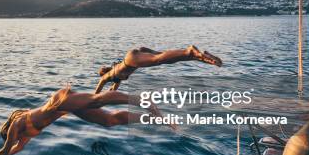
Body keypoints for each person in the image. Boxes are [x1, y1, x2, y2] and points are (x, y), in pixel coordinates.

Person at [0, 86, 166, 155]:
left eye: (11, 137)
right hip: (66, 108)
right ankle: (152, 118)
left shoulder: (17, 126)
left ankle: (141, 99)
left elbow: (6, 148)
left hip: (60, 102)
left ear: (8, 131)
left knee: (98, 100)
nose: (14, 139)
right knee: (109, 121)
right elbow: (17, 148)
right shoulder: (24, 135)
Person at [94, 45, 222, 93]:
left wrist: (92, 99)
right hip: (135, 55)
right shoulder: (117, 78)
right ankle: (201, 57)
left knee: (158, 59)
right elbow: (113, 90)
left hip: (131, 60)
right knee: (163, 58)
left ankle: (190, 51)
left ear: (104, 73)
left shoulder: (110, 75)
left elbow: (100, 84)